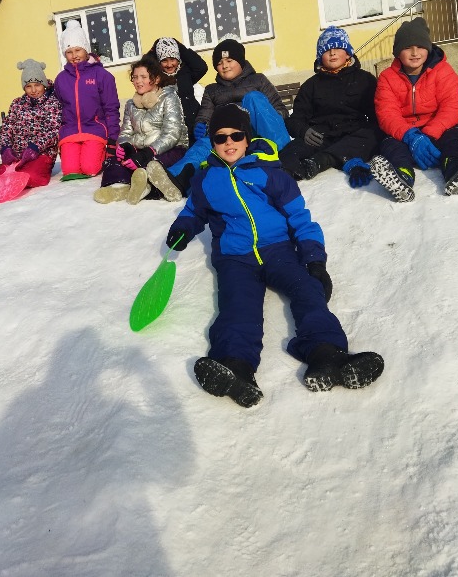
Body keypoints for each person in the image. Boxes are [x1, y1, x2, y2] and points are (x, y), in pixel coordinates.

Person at [164, 103, 384, 408]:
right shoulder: (205, 180)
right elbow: (193, 211)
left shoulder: (270, 172)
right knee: (238, 306)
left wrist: (315, 261)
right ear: (212, 142)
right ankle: (235, 365)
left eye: (236, 135)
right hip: (235, 257)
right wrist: (183, 228)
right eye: (220, 137)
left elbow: (299, 217)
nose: (229, 142)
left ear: (247, 138)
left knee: (307, 291)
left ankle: (326, 352)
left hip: (278, 250)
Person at [152, 38, 290, 197]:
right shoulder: (212, 90)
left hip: (257, 134)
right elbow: (205, 115)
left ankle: (284, 158)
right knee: (204, 144)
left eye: (229, 60)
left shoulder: (258, 80)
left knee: (253, 98)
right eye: (219, 63)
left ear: (240, 61)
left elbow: (280, 111)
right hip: (228, 138)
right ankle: (172, 179)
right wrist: (201, 124)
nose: (225, 66)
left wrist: (255, 114)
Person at [369, 18, 458, 202]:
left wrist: (430, 133)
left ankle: (456, 170)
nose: (415, 53)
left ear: (428, 48)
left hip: (438, 128)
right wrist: (411, 136)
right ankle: (402, 176)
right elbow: (387, 113)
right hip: (405, 133)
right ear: (397, 52)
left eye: (420, 46)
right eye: (407, 47)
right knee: (391, 145)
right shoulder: (387, 77)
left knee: (456, 137)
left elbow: (453, 105)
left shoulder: (442, 71)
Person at [279, 26, 380, 187]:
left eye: (337, 48)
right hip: (321, 137)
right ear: (320, 57)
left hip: (354, 135)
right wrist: (303, 131)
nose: (332, 53)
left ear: (348, 53)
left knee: (374, 133)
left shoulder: (365, 79)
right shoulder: (311, 86)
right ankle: (284, 181)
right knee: (288, 153)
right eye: (327, 50)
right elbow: (295, 119)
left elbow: (377, 114)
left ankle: (321, 161)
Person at [94, 55, 189, 204]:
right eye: (135, 77)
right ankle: (119, 187)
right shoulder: (131, 104)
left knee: (153, 165)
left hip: (170, 148)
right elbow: (126, 132)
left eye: (143, 77)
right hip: (140, 150)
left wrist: (148, 153)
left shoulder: (169, 98)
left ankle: (155, 187)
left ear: (156, 79)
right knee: (115, 161)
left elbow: (172, 133)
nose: (138, 81)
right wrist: (125, 146)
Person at [52, 20, 120, 180]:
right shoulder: (61, 79)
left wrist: (112, 138)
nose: (74, 55)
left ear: (86, 49)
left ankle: (100, 153)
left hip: (94, 130)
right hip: (70, 132)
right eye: (69, 52)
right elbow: (57, 108)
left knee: (90, 168)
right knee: (70, 171)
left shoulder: (101, 75)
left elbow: (111, 108)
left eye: (78, 50)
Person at [0, 58, 61, 189]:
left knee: (31, 176)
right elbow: (7, 128)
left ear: (43, 84)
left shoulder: (53, 103)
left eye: (37, 85)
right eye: (28, 86)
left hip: (42, 154)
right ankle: (10, 176)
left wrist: (35, 147)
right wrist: (6, 148)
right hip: (18, 155)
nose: (33, 90)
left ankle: (18, 177)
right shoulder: (17, 104)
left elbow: (54, 130)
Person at [145, 36, 208, 142]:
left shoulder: (186, 73)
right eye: (164, 60)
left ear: (178, 59)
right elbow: (143, 66)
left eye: (172, 59)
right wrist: (154, 49)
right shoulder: (156, 79)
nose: (169, 65)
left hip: (194, 126)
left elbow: (202, 67)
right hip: (173, 132)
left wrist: (178, 46)